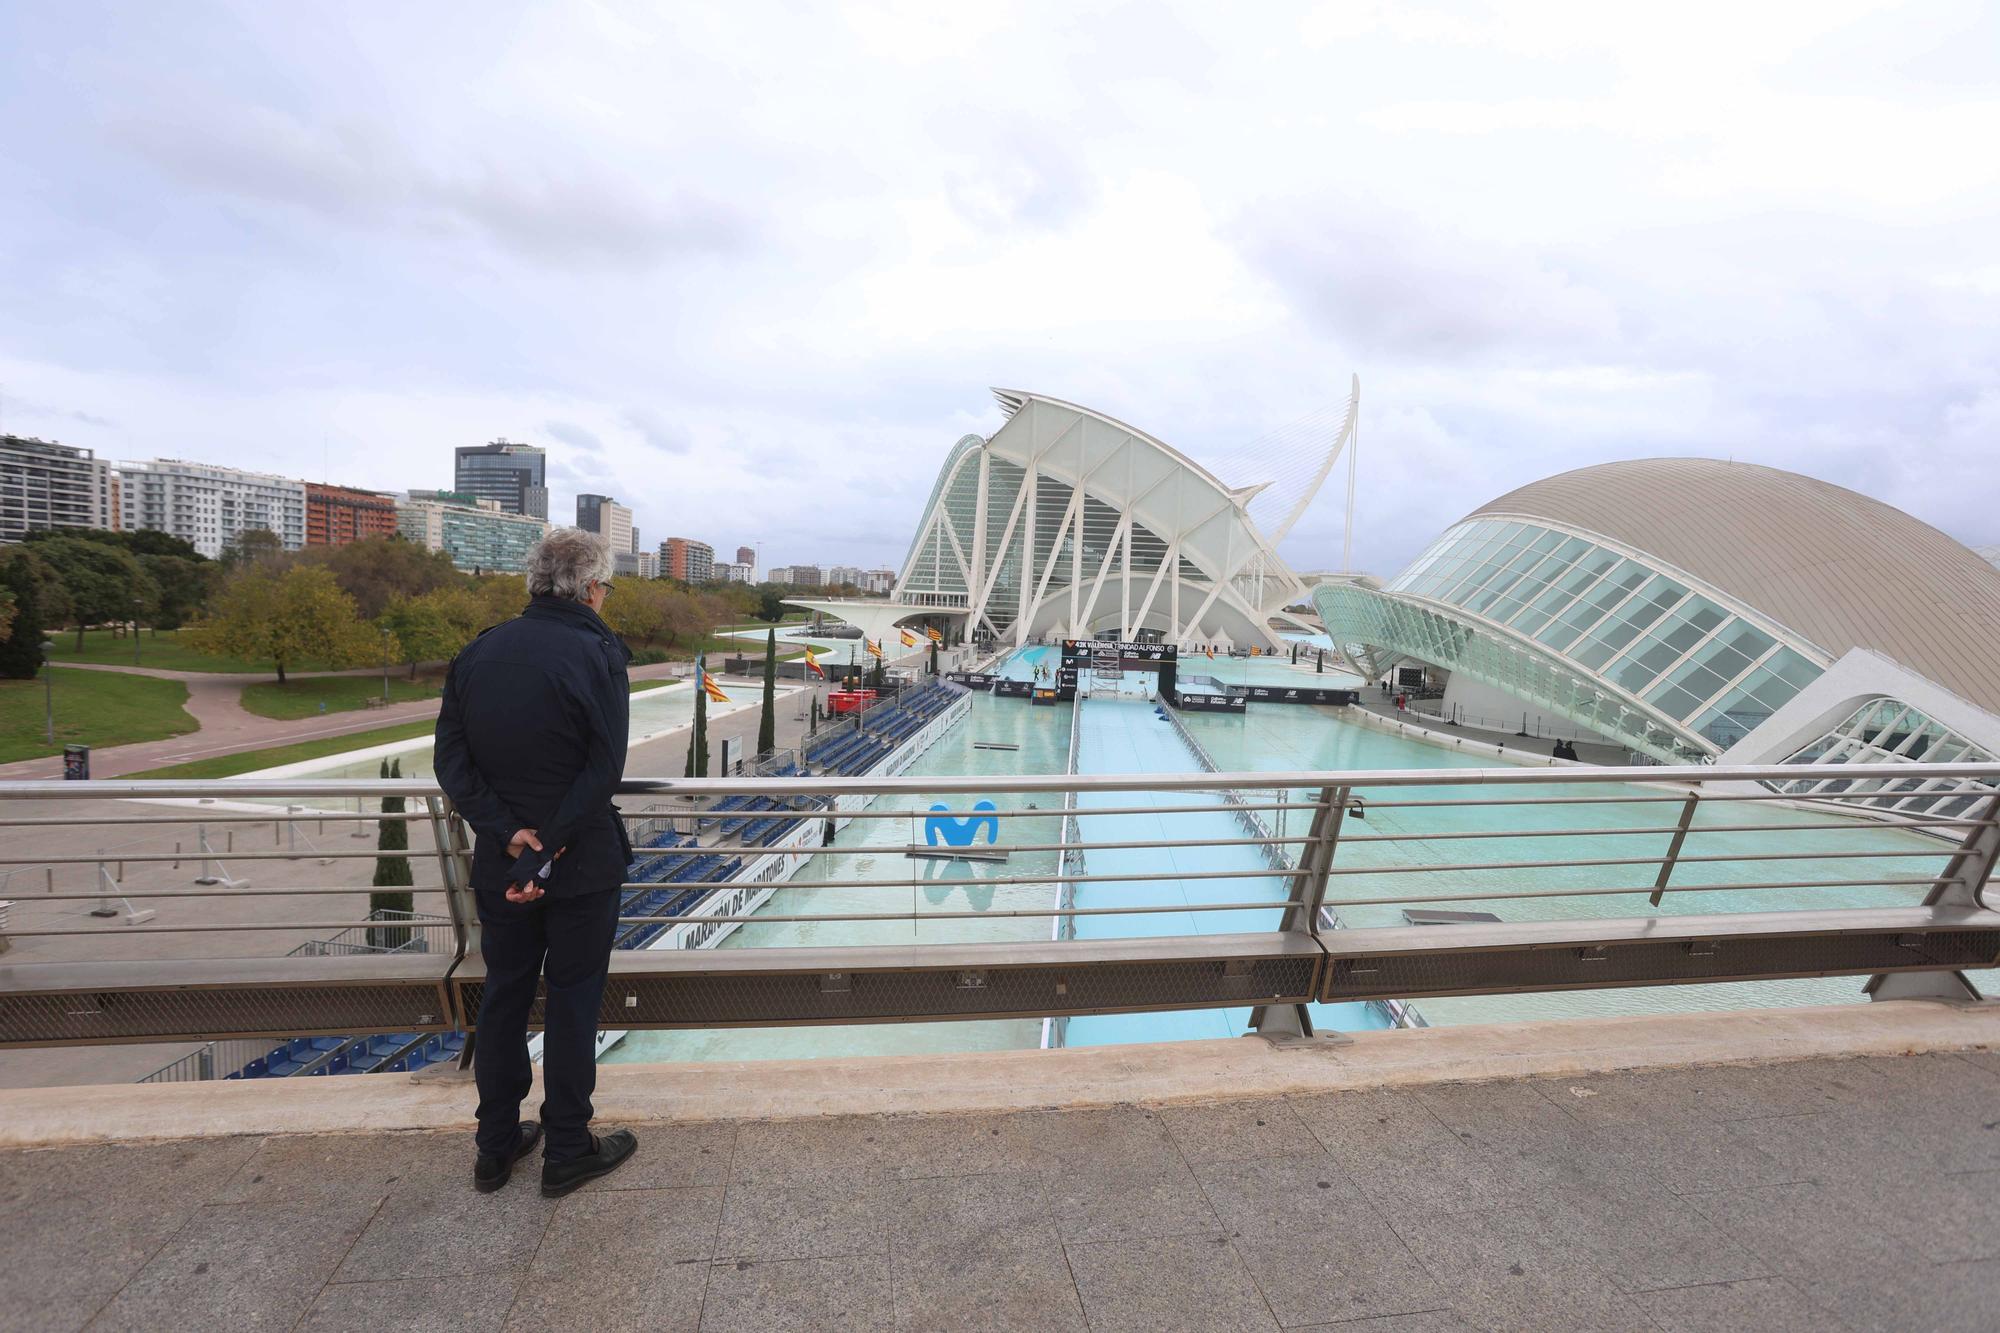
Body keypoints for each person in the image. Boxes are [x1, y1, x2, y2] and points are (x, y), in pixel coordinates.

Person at [434, 527, 639, 1198]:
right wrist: (549, 843)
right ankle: (568, 1148)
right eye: (604, 587)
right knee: (574, 1003)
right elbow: (604, 766)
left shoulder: (479, 650)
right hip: (579, 869)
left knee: (504, 998)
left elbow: (452, 765)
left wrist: (512, 836)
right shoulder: (597, 650)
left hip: (503, 864)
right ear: (589, 589)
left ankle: (494, 1146)